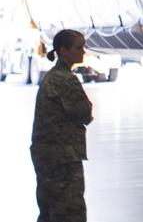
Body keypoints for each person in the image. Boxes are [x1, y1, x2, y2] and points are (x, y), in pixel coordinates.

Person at [30, 29, 94, 222]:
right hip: (62, 158)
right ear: (63, 51)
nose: (83, 52)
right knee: (69, 211)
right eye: (79, 47)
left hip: (48, 156)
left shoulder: (52, 76)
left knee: (50, 210)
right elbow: (84, 112)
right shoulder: (65, 79)